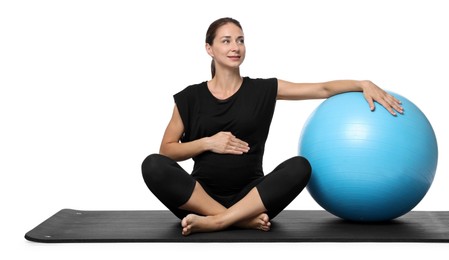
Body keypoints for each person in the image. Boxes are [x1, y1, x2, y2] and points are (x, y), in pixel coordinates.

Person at [141, 17, 404, 236]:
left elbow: (321, 88)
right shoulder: (190, 97)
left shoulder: (264, 89)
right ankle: (234, 219)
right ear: (209, 48)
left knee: (300, 166)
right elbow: (167, 151)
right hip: (199, 197)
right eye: (226, 40)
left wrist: (362, 83)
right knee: (152, 164)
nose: (236, 47)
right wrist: (209, 142)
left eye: (240, 40)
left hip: (253, 197)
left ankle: (219, 221)